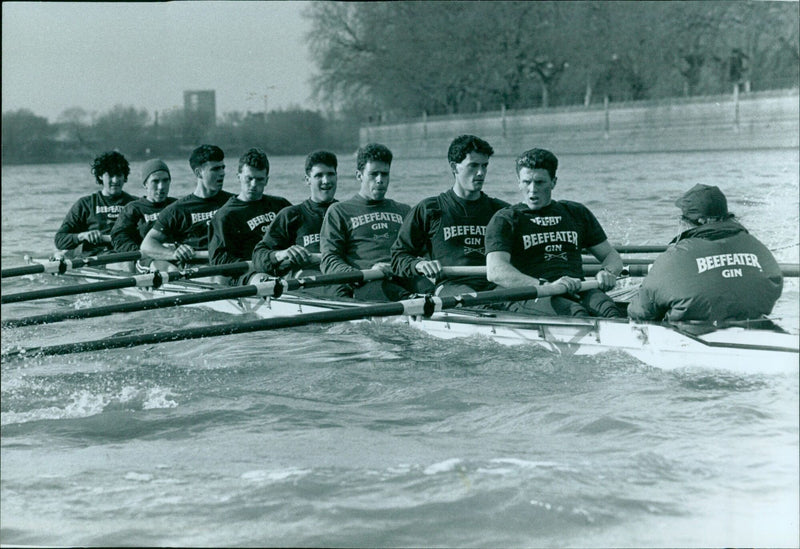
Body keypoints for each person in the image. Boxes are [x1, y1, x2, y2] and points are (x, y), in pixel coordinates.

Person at [485, 148, 624, 317]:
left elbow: (611, 255)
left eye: (540, 182)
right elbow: (496, 271)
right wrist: (546, 285)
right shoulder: (506, 219)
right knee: (575, 313)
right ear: (519, 182)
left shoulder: (576, 212)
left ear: (553, 182)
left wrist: (608, 272)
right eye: (526, 182)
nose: (532, 189)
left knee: (608, 309)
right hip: (533, 293)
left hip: (577, 288)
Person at [627, 184, 782, 323]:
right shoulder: (756, 245)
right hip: (752, 326)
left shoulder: (673, 258)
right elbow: (775, 284)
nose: (680, 222)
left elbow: (640, 311)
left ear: (700, 220)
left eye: (683, 217)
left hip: (693, 337)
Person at [391, 135, 509, 296]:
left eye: (484, 165)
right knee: (478, 301)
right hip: (451, 286)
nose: (481, 173)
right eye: (473, 166)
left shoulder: (501, 211)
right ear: (454, 167)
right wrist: (417, 264)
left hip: (495, 284)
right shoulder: (430, 210)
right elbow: (398, 257)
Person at [320, 143, 431, 301]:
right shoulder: (339, 211)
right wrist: (365, 273)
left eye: (384, 174)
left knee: (431, 291)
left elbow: (422, 251)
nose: (380, 180)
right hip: (366, 282)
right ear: (359, 175)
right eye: (373, 174)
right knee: (406, 298)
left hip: (404, 277)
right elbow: (329, 261)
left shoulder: (404, 210)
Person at [140, 144, 232, 267]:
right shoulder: (177, 210)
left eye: (223, 168)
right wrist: (174, 253)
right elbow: (147, 245)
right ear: (199, 173)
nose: (222, 173)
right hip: (199, 269)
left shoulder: (233, 202)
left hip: (231, 263)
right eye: (215, 169)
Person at [251, 150, 338, 278]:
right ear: (307, 180)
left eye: (331, 174)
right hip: (309, 284)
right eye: (319, 175)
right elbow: (258, 256)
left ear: (337, 177)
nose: (326, 181)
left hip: (343, 277)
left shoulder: (346, 213)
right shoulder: (291, 215)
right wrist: (281, 254)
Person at [207, 148, 291, 268]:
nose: (254, 185)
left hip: (284, 266)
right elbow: (218, 260)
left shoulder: (281, 205)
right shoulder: (225, 216)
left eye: (259, 179)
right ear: (239, 177)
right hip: (250, 273)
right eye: (249, 178)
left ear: (267, 180)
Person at [54, 151, 136, 257]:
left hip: (128, 253)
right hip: (97, 258)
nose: (115, 180)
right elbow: (60, 240)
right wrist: (82, 236)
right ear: (101, 176)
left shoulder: (135, 204)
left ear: (124, 176)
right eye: (110, 175)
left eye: (119, 174)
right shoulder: (85, 204)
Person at [110, 159, 177, 271]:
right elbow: (119, 239)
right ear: (145, 184)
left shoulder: (176, 205)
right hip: (146, 259)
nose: (161, 187)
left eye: (165, 180)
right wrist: (148, 251)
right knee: (170, 269)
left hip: (174, 254)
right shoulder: (133, 209)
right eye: (155, 181)